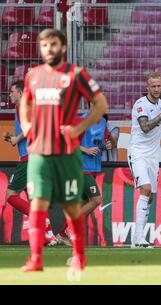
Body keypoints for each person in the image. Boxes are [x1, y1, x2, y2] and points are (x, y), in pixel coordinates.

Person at [19, 29, 107, 272]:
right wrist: (27, 129)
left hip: (66, 153)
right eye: (44, 45)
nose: (48, 48)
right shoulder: (33, 75)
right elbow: (24, 105)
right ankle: (35, 259)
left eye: (53, 44)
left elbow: (100, 104)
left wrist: (80, 127)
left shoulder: (76, 74)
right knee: (37, 204)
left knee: (71, 205)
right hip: (39, 153)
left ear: (64, 47)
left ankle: (79, 255)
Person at [128, 72, 161, 248]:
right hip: (138, 153)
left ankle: (137, 239)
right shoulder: (140, 104)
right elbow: (146, 128)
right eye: (153, 86)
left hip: (153, 156)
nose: (157, 89)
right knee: (146, 189)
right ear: (147, 87)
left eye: (159, 86)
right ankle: (138, 237)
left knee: (149, 197)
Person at [2, 81, 56, 246]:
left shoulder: (22, 106)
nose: (9, 95)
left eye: (12, 92)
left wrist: (16, 139)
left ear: (20, 92)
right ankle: (49, 236)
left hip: (29, 160)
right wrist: (13, 139)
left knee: (10, 196)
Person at [55, 107, 107, 247]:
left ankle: (61, 234)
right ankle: (69, 228)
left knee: (84, 204)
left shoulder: (102, 121)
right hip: (81, 167)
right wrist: (86, 150)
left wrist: (107, 145)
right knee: (96, 200)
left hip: (94, 167)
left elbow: (103, 142)